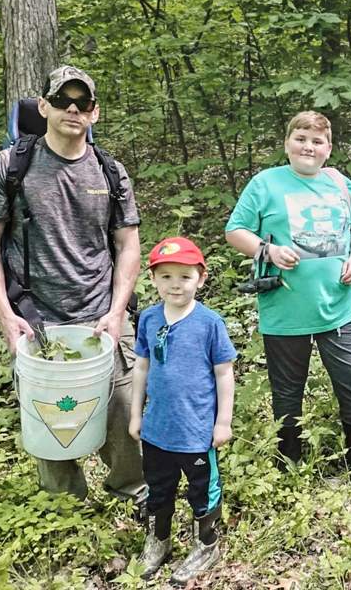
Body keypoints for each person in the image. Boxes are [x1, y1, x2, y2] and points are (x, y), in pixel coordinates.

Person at [0, 65, 146, 505]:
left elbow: (128, 246)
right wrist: (6, 317)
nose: (73, 108)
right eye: (62, 100)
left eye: (82, 102)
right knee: (48, 420)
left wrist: (118, 308)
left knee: (124, 415)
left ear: (95, 112)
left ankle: (132, 492)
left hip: (102, 312)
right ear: (43, 107)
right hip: (36, 316)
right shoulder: (11, 166)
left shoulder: (110, 171)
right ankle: (65, 508)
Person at [225, 111, 351, 487]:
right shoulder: (266, 183)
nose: (308, 146)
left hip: (339, 305)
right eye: (301, 138)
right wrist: (268, 251)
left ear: (329, 149)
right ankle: (289, 456)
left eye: (317, 141)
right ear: (287, 143)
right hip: (285, 308)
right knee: (288, 387)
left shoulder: (341, 185)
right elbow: (235, 230)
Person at [128, 237, 236, 584]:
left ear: (200, 279)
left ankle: (206, 545)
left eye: (185, 277)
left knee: (202, 490)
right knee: (158, 488)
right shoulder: (147, 318)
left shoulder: (209, 323)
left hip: (197, 432)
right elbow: (141, 367)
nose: (176, 284)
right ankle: (158, 541)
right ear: (154, 279)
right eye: (167, 276)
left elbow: (224, 373)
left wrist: (223, 422)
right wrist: (135, 415)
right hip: (158, 429)